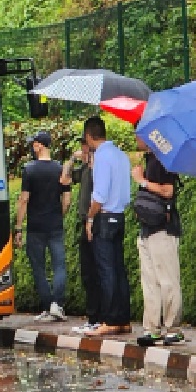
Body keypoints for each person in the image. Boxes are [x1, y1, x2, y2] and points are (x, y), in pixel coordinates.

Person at [82, 116, 133, 337]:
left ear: (88, 136)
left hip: (104, 218)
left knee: (106, 270)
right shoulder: (121, 155)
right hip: (119, 216)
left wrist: (90, 218)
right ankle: (123, 319)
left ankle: (110, 319)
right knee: (118, 268)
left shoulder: (102, 157)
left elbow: (99, 195)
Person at [132, 138, 184, 347]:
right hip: (148, 228)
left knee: (168, 280)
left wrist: (141, 181)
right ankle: (152, 328)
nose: (135, 137)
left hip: (163, 227)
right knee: (150, 281)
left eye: (138, 132)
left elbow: (167, 191)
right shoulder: (149, 159)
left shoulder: (164, 160)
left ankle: (173, 328)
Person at [14, 130, 71, 322]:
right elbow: (67, 199)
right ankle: (57, 304)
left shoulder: (29, 169)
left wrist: (18, 227)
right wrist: (59, 214)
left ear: (39, 145)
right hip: (55, 225)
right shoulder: (60, 168)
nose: (32, 147)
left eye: (33, 143)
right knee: (59, 266)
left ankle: (48, 306)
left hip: (35, 227)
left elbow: (24, 200)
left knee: (38, 268)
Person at [62, 135, 102, 335]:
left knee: (95, 272)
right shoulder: (85, 169)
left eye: (85, 146)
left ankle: (97, 317)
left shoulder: (97, 170)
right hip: (83, 222)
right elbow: (64, 179)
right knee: (87, 273)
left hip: (93, 222)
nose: (82, 149)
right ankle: (93, 316)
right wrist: (71, 159)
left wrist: (91, 219)